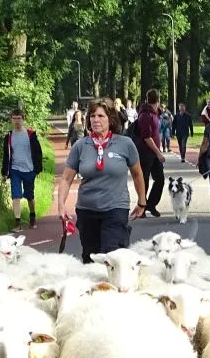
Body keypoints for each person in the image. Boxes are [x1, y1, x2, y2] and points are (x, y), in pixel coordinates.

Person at [54, 99, 148, 263]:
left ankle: (115, 288)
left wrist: (142, 202)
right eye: (92, 116)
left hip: (116, 208)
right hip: (87, 210)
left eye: (100, 116)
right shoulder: (81, 146)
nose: (95, 120)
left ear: (110, 119)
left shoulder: (125, 144)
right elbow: (66, 178)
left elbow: (137, 174)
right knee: (91, 259)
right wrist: (61, 205)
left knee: (112, 256)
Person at [1, 108, 44, 232]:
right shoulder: (8, 137)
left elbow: (38, 153)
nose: (17, 121)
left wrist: (38, 169)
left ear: (23, 119)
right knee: (16, 196)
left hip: (29, 170)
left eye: (19, 118)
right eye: (14, 119)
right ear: (11, 120)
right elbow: (6, 155)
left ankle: (32, 215)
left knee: (29, 196)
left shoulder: (30, 135)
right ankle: (17, 223)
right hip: (15, 170)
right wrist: (5, 172)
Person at [133, 89, 165, 218]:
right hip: (146, 151)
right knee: (144, 178)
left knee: (160, 179)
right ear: (157, 99)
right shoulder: (145, 115)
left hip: (154, 151)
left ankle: (151, 204)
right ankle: (143, 204)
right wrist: (158, 153)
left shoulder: (154, 112)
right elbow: (147, 137)